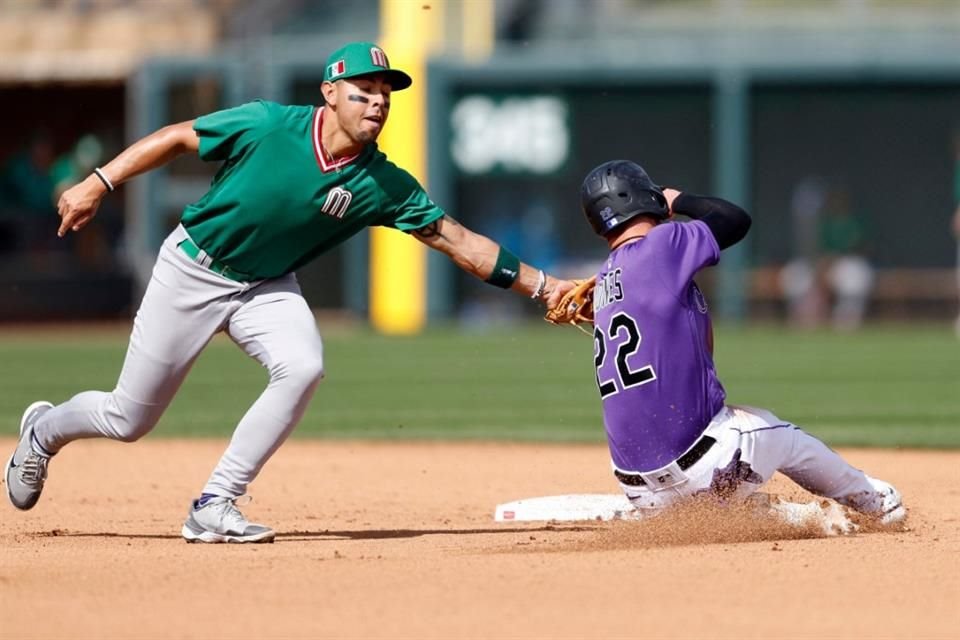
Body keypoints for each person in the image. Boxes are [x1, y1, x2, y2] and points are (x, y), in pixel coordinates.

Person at [5, 41, 576, 543]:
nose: (378, 101)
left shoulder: (383, 184)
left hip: (266, 285)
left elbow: (460, 242)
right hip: (192, 269)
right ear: (330, 92)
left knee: (303, 366)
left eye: (386, 92)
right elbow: (177, 137)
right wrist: (98, 182)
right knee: (128, 419)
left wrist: (544, 286)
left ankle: (213, 505)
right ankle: (43, 431)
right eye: (363, 90)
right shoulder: (270, 124)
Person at [576, 160, 905, 526]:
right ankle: (874, 500)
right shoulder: (661, 245)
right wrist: (678, 199)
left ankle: (791, 517)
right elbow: (734, 220)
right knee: (778, 433)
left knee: (732, 432)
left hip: (643, 497)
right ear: (641, 196)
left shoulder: (603, 280)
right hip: (707, 470)